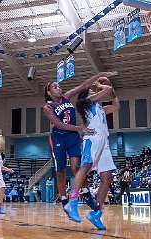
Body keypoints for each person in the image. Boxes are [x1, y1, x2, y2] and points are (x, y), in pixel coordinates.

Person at [43, 72, 117, 213]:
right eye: (55, 87)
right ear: (49, 92)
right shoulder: (47, 107)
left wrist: (100, 74)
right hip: (58, 137)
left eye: (59, 86)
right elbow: (59, 124)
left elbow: (83, 85)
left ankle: (86, 193)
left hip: (73, 136)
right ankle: (64, 199)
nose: (59, 88)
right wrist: (80, 128)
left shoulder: (66, 97)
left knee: (77, 167)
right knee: (60, 172)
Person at [65, 76, 120, 230]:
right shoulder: (84, 103)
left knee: (107, 177)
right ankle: (72, 201)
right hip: (93, 138)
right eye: (90, 91)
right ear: (86, 96)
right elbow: (106, 90)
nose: (93, 92)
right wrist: (101, 85)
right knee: (86, 166)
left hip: (104, 141)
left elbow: (116, 106)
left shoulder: (99, 108)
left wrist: (111, 90)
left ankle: (97, 213)